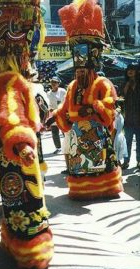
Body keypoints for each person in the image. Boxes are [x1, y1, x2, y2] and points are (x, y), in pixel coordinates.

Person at [0, 0, 53, 269]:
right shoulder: (12, 81)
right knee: (27, 202)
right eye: (26, 54)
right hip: (19, 154)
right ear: (20, 55)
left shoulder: (0, 80)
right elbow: (11, 117)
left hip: (5, 156)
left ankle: (14, 238)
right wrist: (22, 145)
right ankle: (30, 248)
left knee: (13, 200)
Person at [48, 0, 123, 200]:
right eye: (78, 69)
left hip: (96, 132)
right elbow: (64, 109)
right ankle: (81, 190)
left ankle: (107, 188)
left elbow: (109, 107)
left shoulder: (102, 83)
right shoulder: (72, 86)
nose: (80, 72)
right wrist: (52, 118)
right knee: (80, 166)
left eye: (83, 69)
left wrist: (92, 109)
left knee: (101, 164)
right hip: (76, 135)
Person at [121, 64, 140, 170]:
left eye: (132, 70)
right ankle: (126, 162)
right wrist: (127, 85)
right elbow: (121, 97)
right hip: (128, 119)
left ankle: (139, 161)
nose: (130, 71)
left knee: (139, 142)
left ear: (136, 71)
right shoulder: (124, 83)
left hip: (139, 119)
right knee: (127, 142)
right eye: (128, 70)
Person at [47, 76, 67, 154]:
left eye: (55, 82)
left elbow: (67, 101)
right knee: (55, 132)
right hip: (53, 114)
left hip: (63, 114)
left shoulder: (63, 91)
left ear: (58, 83)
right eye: (52, 82)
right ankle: (58, 148)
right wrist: (50, 109)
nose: (53, 84)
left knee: (65, 131)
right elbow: (48, 105)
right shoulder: (48, 93)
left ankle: (68, 146)